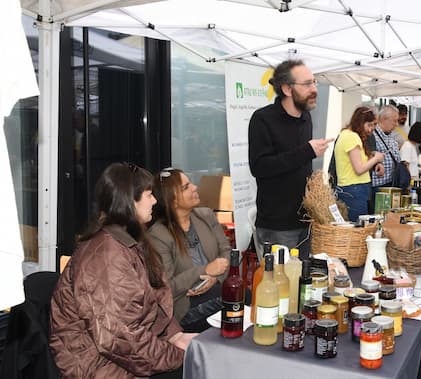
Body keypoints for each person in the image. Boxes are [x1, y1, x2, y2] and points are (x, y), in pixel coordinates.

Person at [50, 163, 193, 378]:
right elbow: (118, 339)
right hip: (100, 367)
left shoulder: (128, 241)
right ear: (129, 201)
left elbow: (152, 301)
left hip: (125, 354)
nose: (155, 200)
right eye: (149, 195)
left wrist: (175, 336)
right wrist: (178, 355)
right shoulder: (106, 255)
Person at [248, 60, 332, 258]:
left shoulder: (306, 118)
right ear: (286, 88)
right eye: (307, 84)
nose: (314, 89)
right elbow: (260, 167)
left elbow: (300, 166)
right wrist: (306, 151)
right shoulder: (262, 119)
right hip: (278, 226)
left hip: (305, 221)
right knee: (281, 286)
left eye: (314, 82)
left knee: (302, 284)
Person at [149, 167, 231, 333]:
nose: (195, 187)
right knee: (236, 299)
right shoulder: (158, 235)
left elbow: (226, 251)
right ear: (172, 200)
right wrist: (204, 270)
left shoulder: (205, 216)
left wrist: (215, 277)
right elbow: (167, 287)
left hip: (215, 289)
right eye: (186, 187)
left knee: (237, 294)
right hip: (183, 305)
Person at [334, 106, 385, 222]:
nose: (371, 129)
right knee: (358, 228)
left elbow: (356, 162)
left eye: (374, 125)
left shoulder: (346, 134)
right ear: (360, 122)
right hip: (354, 189)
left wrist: (373, 159)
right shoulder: (352, 137)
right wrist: (376, 158)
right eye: (369, 125)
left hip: (350, 189)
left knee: (354, 226)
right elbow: (359, 169)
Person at [370, 105, 401, 193]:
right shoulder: (372, 136)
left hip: (391, 184)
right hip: (377, 188)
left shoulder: (390, 136)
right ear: (384, 119)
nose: (396, 124)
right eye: (394, 121)